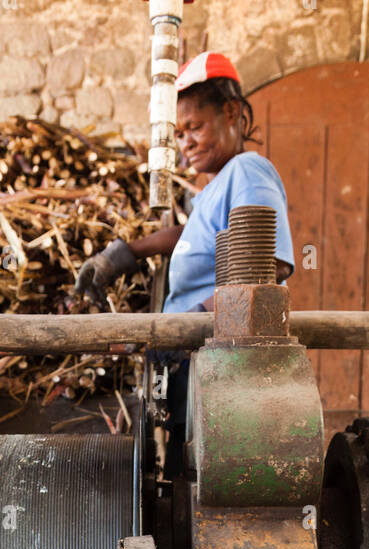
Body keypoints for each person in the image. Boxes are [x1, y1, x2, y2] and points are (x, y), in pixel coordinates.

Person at [75, 51, 295, 469]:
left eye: (194, 127)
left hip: (216, 364)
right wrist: (124, 253)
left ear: (232, 113)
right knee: (179, 477)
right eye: (178, 134)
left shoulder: (248, 170)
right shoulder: (212, 189)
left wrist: (195, 319)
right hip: (191, 356)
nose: (185, 143)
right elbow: (191, 236)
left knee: (198, 481)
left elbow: (267, 265)